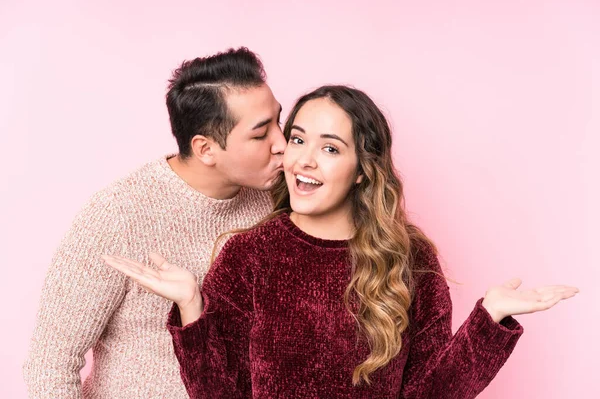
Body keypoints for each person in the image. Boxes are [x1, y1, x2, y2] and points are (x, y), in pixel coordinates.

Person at [103, 85, 579, 398]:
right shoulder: (250, 254)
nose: (304, 160)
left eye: (330, 148)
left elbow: (430, 393)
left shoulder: (410, 260)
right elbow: (219, 393)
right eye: (297, 139)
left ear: (361, 170)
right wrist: (192, 306)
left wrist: (489, 318)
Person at [23, 47, 286, 398]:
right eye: (260, 134)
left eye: (279, 122)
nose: (282, 144)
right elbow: (49, 363)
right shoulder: (119, 214)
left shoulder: (277, 199)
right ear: (205, 149)